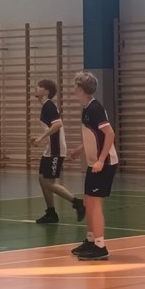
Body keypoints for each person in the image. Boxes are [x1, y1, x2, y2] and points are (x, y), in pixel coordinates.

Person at [68, 72, 119, 261]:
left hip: (104, 163)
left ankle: (100, 246)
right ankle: (90, 240)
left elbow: (110, 134)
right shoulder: (87, 108)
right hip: (93, 162)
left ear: (82, 89)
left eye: (76, 85)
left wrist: (101, 160)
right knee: (88, 202)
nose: (74, 89)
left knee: (95, 204)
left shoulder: (95, 108)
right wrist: (80, 149)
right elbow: (94, 135)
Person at [32, 79, 85, 224]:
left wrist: (41, 137)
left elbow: (58, 124)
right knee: (42, 179)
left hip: (56, 150)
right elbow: (51, 127)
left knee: (48, 182)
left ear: (46, 91)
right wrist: (40, 137)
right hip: (50, 149)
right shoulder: (45, 106)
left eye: (40, 86)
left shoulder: (49, 106)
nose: (36, 88)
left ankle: (78, 203)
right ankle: (51, 213)